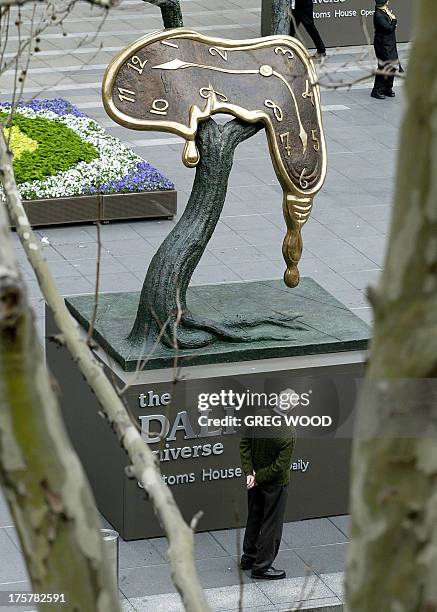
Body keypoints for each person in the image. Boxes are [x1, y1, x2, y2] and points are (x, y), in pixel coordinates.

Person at [239, 417, 296, 580]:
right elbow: (280, 467)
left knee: (254, 518)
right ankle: (262, 567)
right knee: (272, 525)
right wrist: (259, 477)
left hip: (254, 481)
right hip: (274, 484)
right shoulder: (288, 432)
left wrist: (250, 473)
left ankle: (248, 558)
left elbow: (245, 444)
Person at [371, 0, 400, 100]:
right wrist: (394, 21)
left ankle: (387, 88)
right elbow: (388, 28)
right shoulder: (379, 15)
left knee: (392, 65)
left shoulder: (384, 11)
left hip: (389, 43)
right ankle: (377, 90)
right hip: (382, 45)